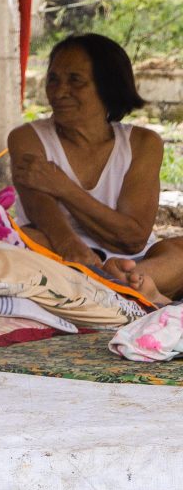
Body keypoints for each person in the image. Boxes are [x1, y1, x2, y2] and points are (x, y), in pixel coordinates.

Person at [9, 34, 180, 303]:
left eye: (75, 80)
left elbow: (133, 238)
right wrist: (72, 248)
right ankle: (132, 288)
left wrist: (63, 187)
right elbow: (40, 210)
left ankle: (124, 282)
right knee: (20, 239)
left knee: (178, 252)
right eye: (53, 79)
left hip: (133, 261)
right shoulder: (27, 138)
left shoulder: (143, 143)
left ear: (107, 86)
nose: (59, 91)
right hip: (61, 251)